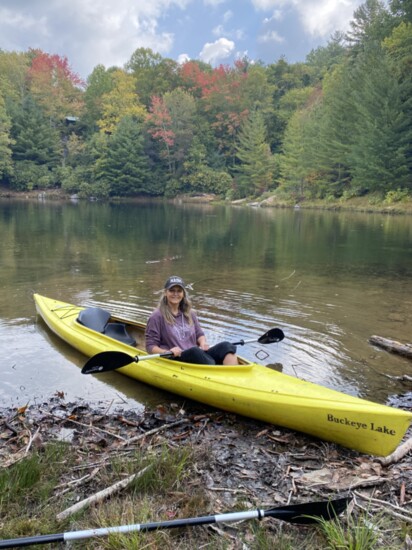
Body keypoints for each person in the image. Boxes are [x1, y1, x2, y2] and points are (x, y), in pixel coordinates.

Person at [145, 276, 238, 365]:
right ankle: (214, 369)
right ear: (165, 292)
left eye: (179, 291)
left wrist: (203, 343)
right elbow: (150, 346)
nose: (175, 294)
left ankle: (233, 374)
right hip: (177, 358)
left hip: (197, 356)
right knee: (195, 351)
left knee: (226, 346)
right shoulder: (156, 316)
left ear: (183, 294)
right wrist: (167, 352)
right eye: (172, 290)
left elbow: (199, 334)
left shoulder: (190, 313)